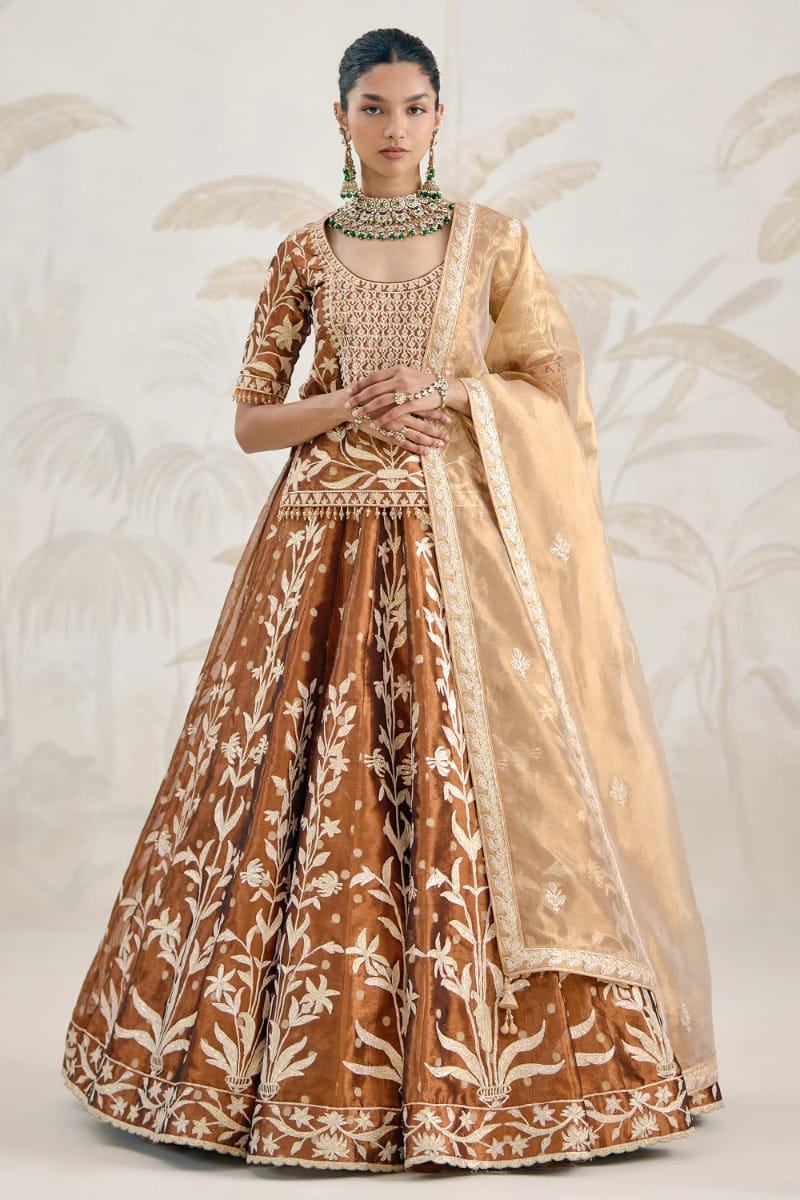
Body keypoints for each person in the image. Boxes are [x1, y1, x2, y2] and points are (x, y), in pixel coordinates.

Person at [61, 26, 724, 1173]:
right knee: (296, 781)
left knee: (471, 784)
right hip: (312, 556)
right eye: (372, 107)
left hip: (458, 555)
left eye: (413, 107)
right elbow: (251, 421)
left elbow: (551, 391)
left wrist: (451, 392)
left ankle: (501, 1076)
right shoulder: (301, 253)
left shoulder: (492, 241)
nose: (393, 127)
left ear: (437, 116)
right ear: (339, 118)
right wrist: (349, 404)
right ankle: (269, 1069)